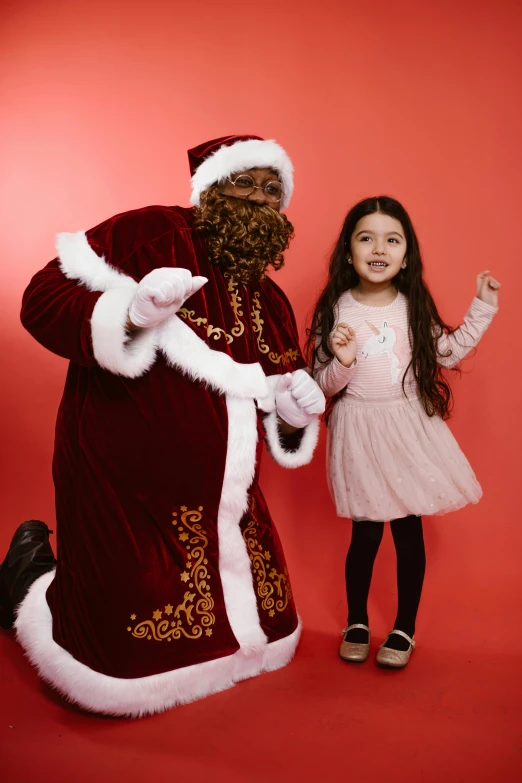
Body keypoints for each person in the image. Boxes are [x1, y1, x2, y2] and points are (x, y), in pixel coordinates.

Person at [0, 135, 325, 716]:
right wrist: (128, 313)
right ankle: (24, 575)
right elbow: (42, 298)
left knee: (270, 622)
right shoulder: (148, 235)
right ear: (210, 188)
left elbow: (280, 403)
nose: (258, 196)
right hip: (123, 484)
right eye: (243, 180)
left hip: (228, 501)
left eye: (271, 187)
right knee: (120, 639)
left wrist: (295, 410)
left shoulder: (271, 298)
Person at [307, 196, 499, 668]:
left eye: (391, 239)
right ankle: (356, 619)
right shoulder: (336, 308)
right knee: (366, 534)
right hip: (359, 428)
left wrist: (483, 308)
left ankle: (404, 627)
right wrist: (343, 362)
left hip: (407, 428)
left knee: (408, 531)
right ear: (348, 251)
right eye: (365, 237)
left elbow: (449, 353)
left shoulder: (412, 306)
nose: (379, 247)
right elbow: (320, 385)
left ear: (406, 254)